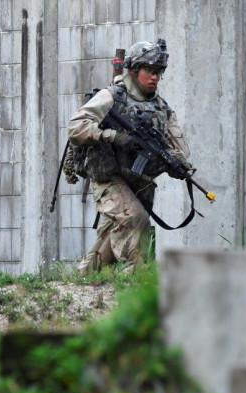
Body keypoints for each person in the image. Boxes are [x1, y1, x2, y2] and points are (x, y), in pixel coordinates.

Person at [67, 39, 190, 274]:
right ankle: (136, 279)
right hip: (109, 178)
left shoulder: (161, 108)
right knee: (135, 219)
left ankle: (82, 283)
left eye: (158, 72)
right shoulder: (112, 96)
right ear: (133, 71)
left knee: (110, 242)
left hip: (139, 181)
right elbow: (75, 127)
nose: (155, 77)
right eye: (149, 71)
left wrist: (176, 164)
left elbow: (178, 148)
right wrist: (111, 135)